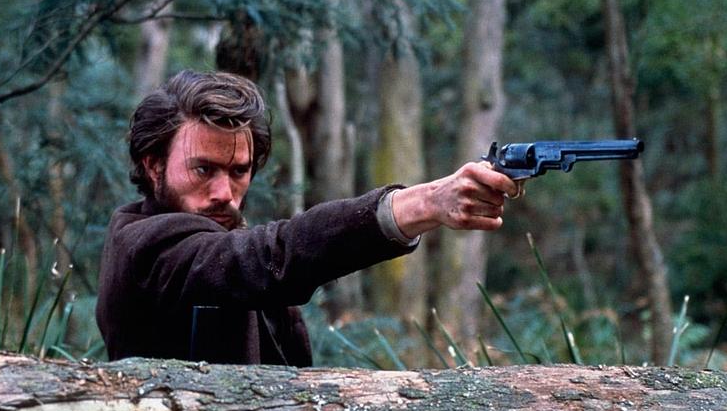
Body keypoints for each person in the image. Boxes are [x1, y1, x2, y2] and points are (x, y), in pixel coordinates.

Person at [96, 70, 518, 365]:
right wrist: (423, 204)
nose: (224, 192)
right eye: (203, 169)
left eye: (239, 171)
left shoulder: (225, 240)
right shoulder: (143, 246)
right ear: (153, 166)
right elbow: (267, 257)